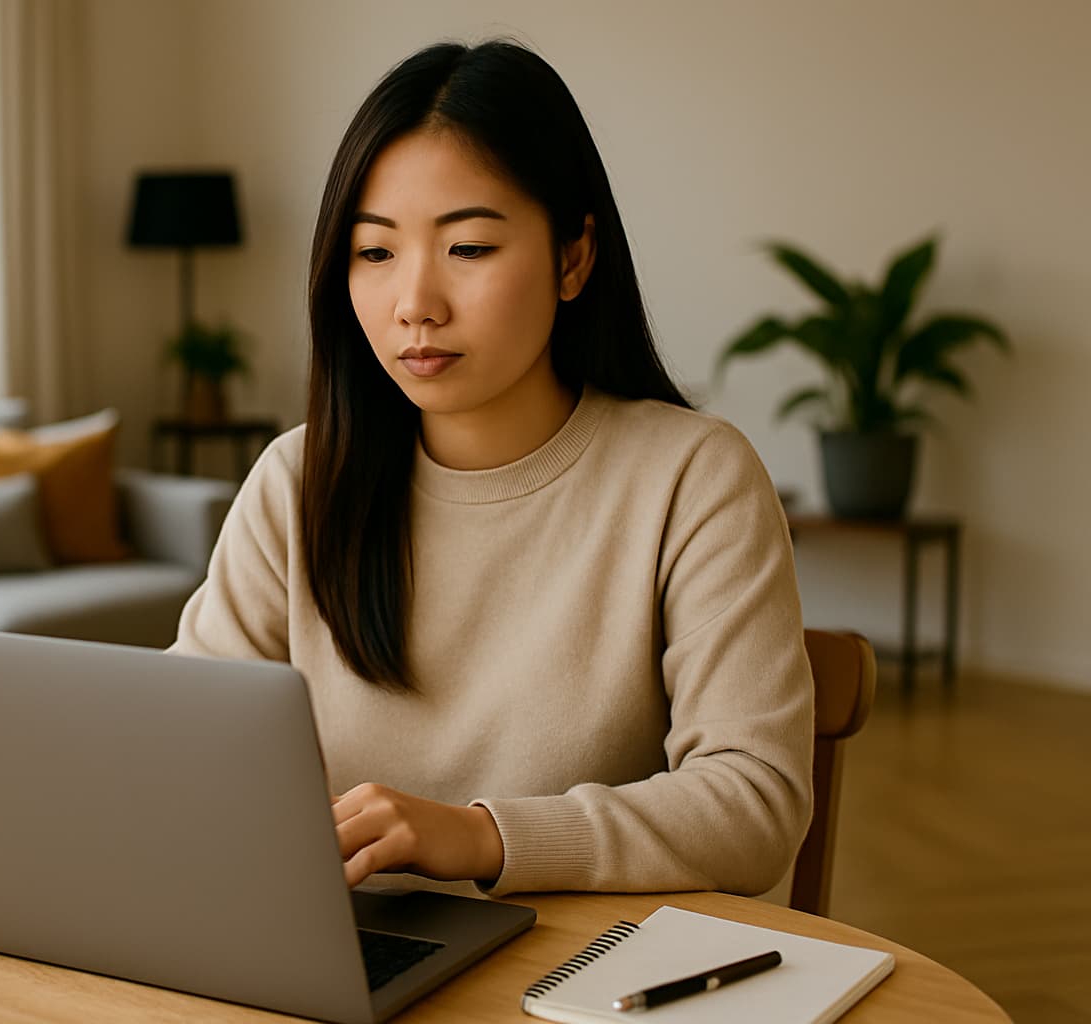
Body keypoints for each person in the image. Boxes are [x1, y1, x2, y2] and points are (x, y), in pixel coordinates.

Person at [168, 39, 814, 899]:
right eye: (375, 253)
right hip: (332, 961)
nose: (416, 305)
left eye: (468, 249)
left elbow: (753, 805)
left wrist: (481, 838)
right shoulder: (297, 481)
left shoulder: (692, 479)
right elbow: (179, 752)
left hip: (574, 974)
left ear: (573, 258)